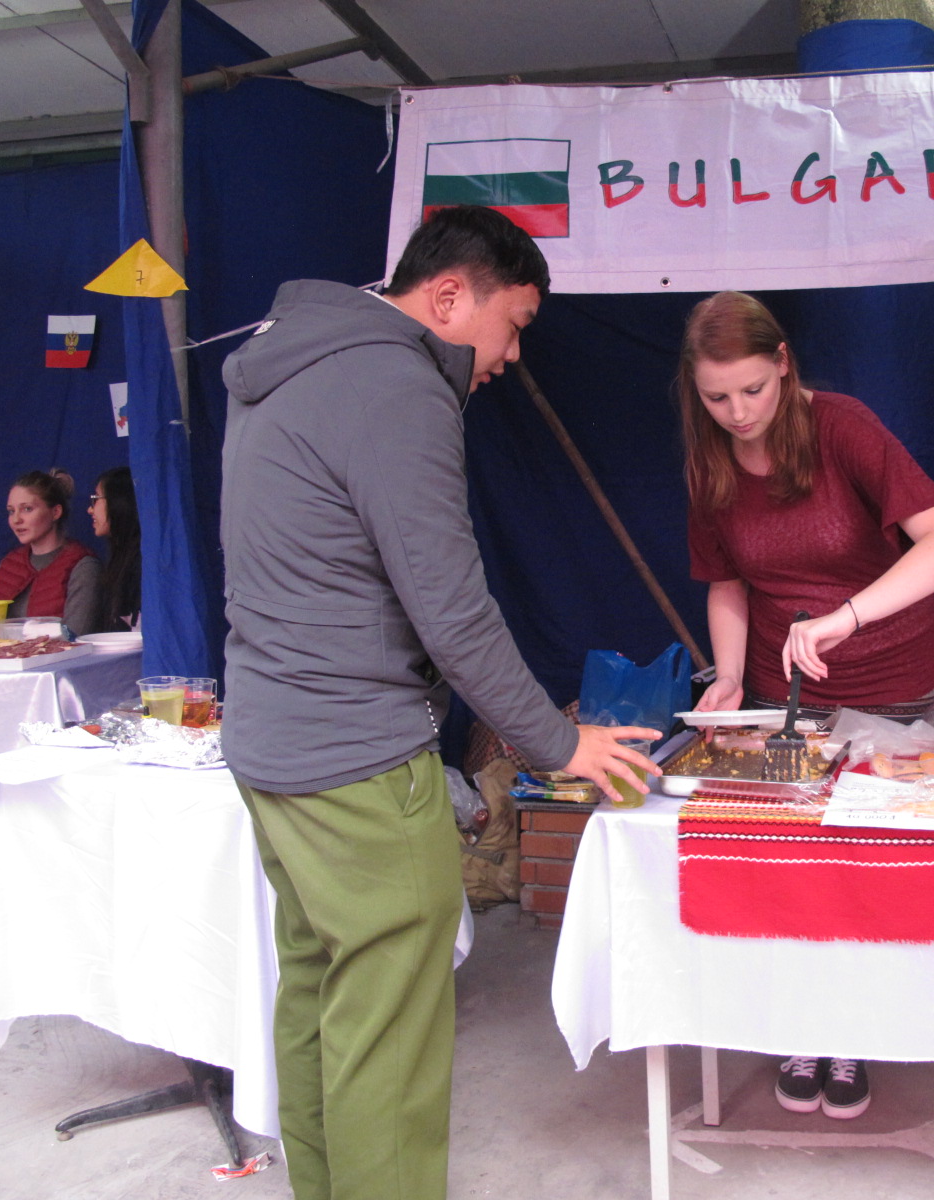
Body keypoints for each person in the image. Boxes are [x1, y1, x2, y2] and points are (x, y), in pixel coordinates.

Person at [220, 204, 658, 1200]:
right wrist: (560, 744)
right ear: (451, 295)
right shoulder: (395, 384)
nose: (511, 355)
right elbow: (452, 611)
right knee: (389, 1035)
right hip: (358, 762)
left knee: (322, 994)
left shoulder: (288, 360)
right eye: (515, 324)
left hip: (272, 742)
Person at [680, 291, 934, 1119]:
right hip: (785, 701)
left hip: (893, 688)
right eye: (716, 397)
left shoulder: (843, 427)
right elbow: (727, 581)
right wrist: (729, 677)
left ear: (783, 363)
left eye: (752, 389)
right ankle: (805, 1025)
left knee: (873, 872)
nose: (738, 413)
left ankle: (855, 1033)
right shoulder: (709, 458)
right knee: (795, 870)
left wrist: (847, 616)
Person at [0, 469, 99, 634]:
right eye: (11, 511)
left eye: (27, 509)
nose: (16, 519)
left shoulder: (83, 566)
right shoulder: (8, 565)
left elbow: (76, 634)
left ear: (55, 512)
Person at [88, 467, 141, 632]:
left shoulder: (143, 562)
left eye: (96, 499)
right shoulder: (121, 558)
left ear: (120, 501)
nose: (90, 509)